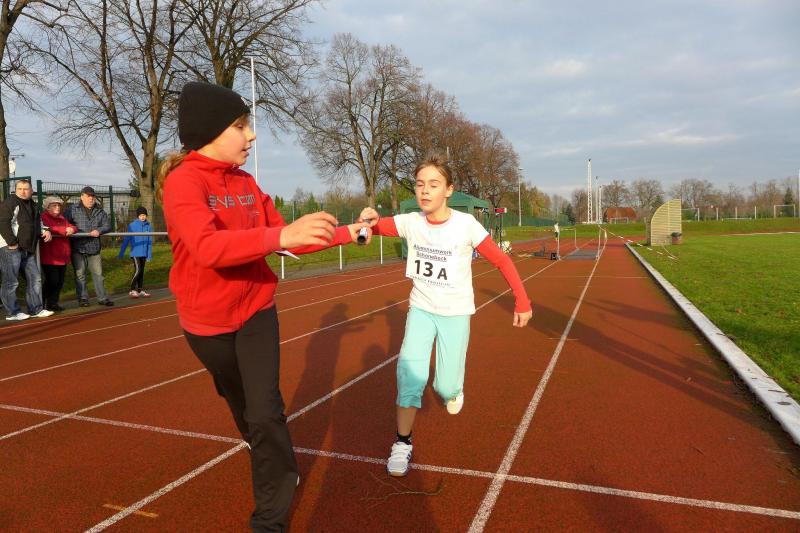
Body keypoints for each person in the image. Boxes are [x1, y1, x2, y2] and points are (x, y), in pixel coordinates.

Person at [157, 81, 371, 533]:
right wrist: (280, 236)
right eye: (241, 126)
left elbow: (288, 237)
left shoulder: (246, 182)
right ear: (211, 131)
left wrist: (348, 232)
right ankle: (274, 457)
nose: (251, 135)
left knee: (264, 411)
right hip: (206, 325)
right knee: (245, 412)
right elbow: (207, 247)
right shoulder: (183, 183)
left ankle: (270, 518)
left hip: (256, 311)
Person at [358, 153, 533, 477]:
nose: (425, 190)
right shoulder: (411, 222)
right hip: (421, 309)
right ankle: (402, 442)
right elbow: (376, 226)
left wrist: (522, 301)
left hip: (455, 313)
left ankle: (454, 389)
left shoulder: (466, 225)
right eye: (420, 184)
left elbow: (501, 260)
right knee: (409, 376)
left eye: (434, 184)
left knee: (445, 387)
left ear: (449, 190)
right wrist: (369, 218)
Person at [0, 179, 54, 320]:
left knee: (35, 279)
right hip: (10, 248)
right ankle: (13, 312)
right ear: (15, 190)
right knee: (11, 281)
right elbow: (3, 222)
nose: (23, 191)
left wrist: (46, 230)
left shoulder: (33, 205)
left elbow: (38, 223)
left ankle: (36, 309)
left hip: (27, 248)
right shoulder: (10, 203)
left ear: (31, 191)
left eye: (26, 189)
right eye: (20, 189)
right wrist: (11, 242)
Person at [66, 186, 114, 307]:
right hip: (78, 247)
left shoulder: (100, 211)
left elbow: (108, 225)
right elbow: (65, 223)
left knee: (98, 274)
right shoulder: (72, 209)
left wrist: (99, 230)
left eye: (92, 196)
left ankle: (102, 298)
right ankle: (83, 299)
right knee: (80, 274)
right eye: (88, 196)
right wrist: (71, 229)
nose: (91, 198)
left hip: (94, 248)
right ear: (82, 197)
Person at [40, 196, 78, 312]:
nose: (57, 207)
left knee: (60, 282)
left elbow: (72, 227)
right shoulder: (43, 217)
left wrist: (72, 229)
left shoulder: (62, 218)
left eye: (59, 205)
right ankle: (41, 302)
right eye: (54, 205)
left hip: (63, 255)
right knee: (52, 280)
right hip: (50, 256)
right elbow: (48, 228)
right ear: (47, 207)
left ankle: (53, 303)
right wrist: (63, 231)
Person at [118, 206, 153, 298]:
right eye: (141, 215)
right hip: (135, 253)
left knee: (142, 272)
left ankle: (140, 290)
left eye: (144, 215)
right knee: (138, 270)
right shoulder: (132, 225)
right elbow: (126, 240)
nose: (143, 217)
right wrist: (121, 253)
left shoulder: (149, 226)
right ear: (138, 216)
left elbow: (149, 242)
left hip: (144, 253)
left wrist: (149, 255)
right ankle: (132, 290)